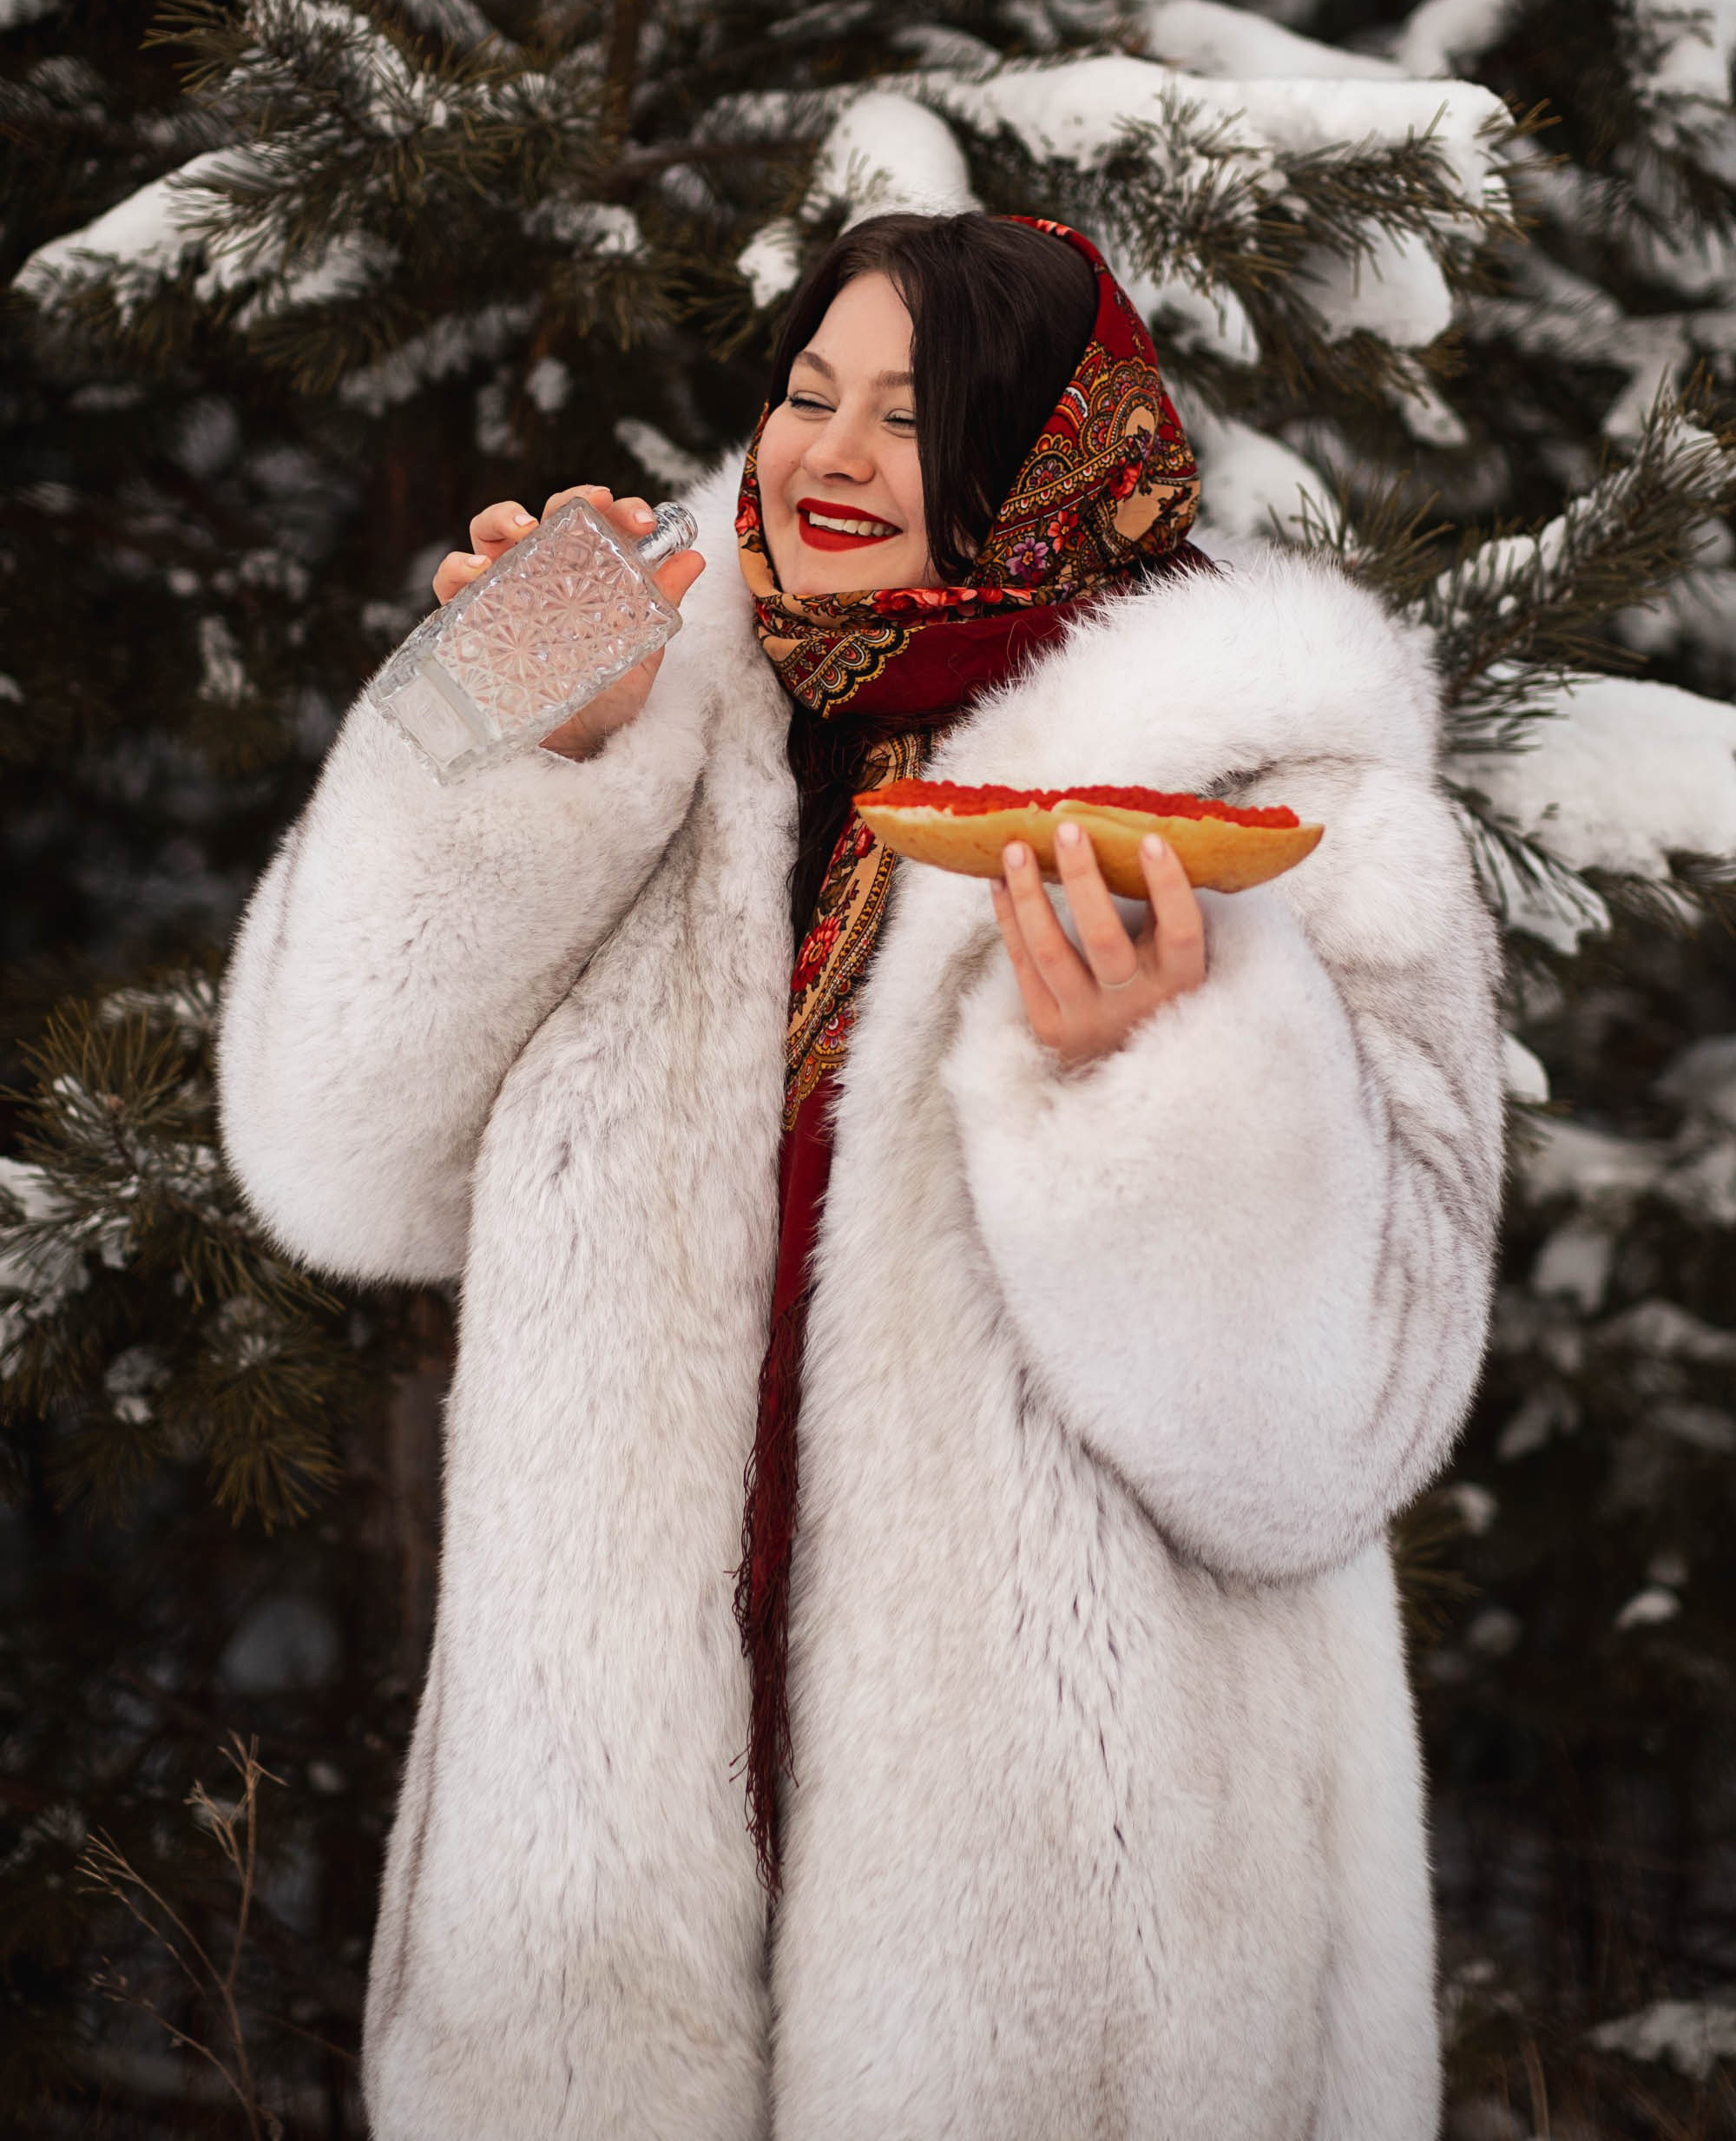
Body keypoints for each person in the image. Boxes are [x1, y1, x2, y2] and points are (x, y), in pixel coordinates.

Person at [217, 211, 1504, 2141]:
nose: (820, 457)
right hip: (596, 1927)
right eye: (803, 392)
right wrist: (514, 739)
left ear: (1059, 453)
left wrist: (1167, 1085)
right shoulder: (646, 668)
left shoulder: (1287, 811)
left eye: (909, 416)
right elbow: (333, 1158)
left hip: (1095, 1969)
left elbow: (1324, 1448)